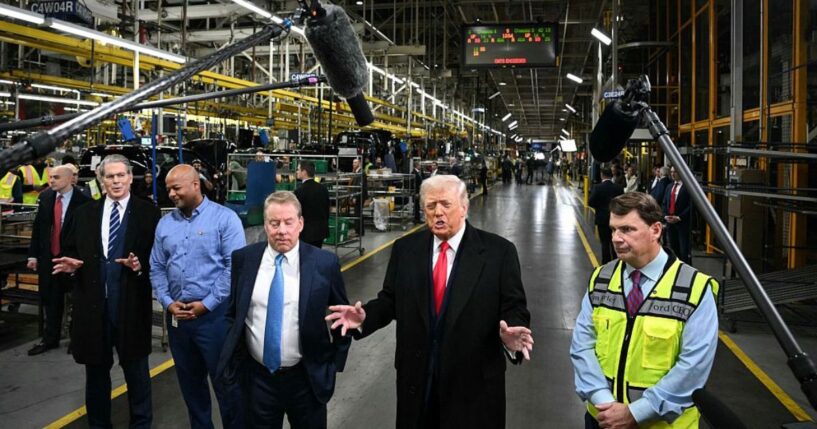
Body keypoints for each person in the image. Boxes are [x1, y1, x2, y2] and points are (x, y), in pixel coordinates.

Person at [325, 175, 533, 429]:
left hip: (473, 388)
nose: (438, 213)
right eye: (431, 206)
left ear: (464, 207)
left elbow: (514, 307)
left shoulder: (498, 252)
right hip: (418, 383)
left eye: (446, 204)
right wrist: (365, 317)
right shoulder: (406, 249)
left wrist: (510, 336)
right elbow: (390, 299)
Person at [570, 192, 718, 429]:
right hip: (603, 420)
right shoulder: (601, 279)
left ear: (656, 230)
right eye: (613, 229)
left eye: (627, 229)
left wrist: (636, 413)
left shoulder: (694, 289)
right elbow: (582, 345)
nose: (616, 238)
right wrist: (604, 401)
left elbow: (693, 367)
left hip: (661, 425)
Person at [216, 191, 352, 429]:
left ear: (300, 223)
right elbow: (233, 314)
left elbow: (342, 317)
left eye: (289, 222)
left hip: (306, 379)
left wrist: (333, 364)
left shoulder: (323, 263)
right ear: (265, 225)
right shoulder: (244, 260)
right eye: (274, 223)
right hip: (257, 379)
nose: (282, 230)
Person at [52, 154, 161, 428]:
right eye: (109, 176)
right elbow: (70, 250)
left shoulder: (148, 212)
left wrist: (140, 266)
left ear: (129, 178)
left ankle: (141, 424)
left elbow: (159, 258)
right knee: (96, 376)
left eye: (121, 175)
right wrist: (73, 266)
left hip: (131, 307)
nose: (116, 181)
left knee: (137, 374)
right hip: (93, 309)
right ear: (101, 180)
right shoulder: (84, 214)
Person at [149, 164, 246, 428]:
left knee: (226, 385)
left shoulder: (225, 219)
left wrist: (207, 304)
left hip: (215, 320)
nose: (171, 194)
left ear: (195, 185)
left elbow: (233, 267)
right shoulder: (165, 224)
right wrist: (168, 303)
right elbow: (156, 266)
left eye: (176, 188)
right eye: (168, 189)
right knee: (191, 388)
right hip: (179, 321)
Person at [26, 165, 90, 355]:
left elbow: (87, 235)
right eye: (50, 177)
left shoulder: (83, 201)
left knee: (77, 301)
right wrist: (33, 254)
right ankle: (50, 339)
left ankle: (76, 339)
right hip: (49, 258)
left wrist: (81, 260)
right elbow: (39, 228)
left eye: (56, 177)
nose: (51, 181)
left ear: (70, 179)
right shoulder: (46, 197)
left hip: (72, 259)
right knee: (51, 301)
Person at [589, 168, 624, 264]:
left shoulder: (597, 187)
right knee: (615, 242)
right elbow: (622, 203)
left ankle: (605, 264)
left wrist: (599, 208)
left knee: (604, 243)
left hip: (602, 219)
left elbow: (590, 202)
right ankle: (617, 263)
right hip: (616, 219)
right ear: (611, 175)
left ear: (602, 175)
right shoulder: (618, 188)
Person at [293, 160, 330, 248]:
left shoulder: (299, 191)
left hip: (306, 232)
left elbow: (296, 213)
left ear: (304, 172)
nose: (296, 171)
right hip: (321, 230)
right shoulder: (323, 189)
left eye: (298, 169)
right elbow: (327, 209)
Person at [663, 166, 692, 264]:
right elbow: (664, 202)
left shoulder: (688, 187)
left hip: (682, 223)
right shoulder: (669, 186)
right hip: (670, 222)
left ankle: (686, 271)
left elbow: (691, 205)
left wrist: (679, 217)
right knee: (673, 249)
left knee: (684, 251)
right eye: (671, 172)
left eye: (675, 172)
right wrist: (665, 215)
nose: (672, 174)